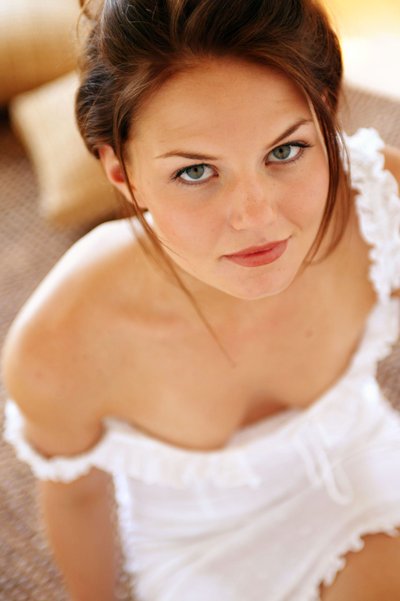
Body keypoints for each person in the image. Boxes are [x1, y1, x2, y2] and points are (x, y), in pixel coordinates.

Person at [2, 0, 400, 599]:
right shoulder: (62, 339)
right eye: (195, 172)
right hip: (204, 549)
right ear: (123, 173)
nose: (257, 217)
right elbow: (76, 496)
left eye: (285, 151)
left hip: (368, 468)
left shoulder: (378, 201)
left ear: (326, 113)